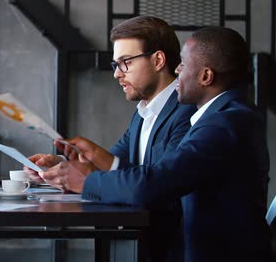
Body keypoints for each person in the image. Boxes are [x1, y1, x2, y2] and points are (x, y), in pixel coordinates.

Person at [42, 27, 272, 261]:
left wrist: (86, 181)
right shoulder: (227, 117)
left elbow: (152, 183)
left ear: (206, 76)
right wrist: (70, 169)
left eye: (183, 63)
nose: (177, 70)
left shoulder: (223, 125)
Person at [27, 16, 197, 261]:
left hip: (174, 248)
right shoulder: (143, 113)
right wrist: (61, 168)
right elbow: (113, 169)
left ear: (158, 60)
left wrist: (85, 176)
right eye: (115, 64)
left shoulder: (186, 112)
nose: (117, 74)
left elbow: (159, 186)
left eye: (125, 62)